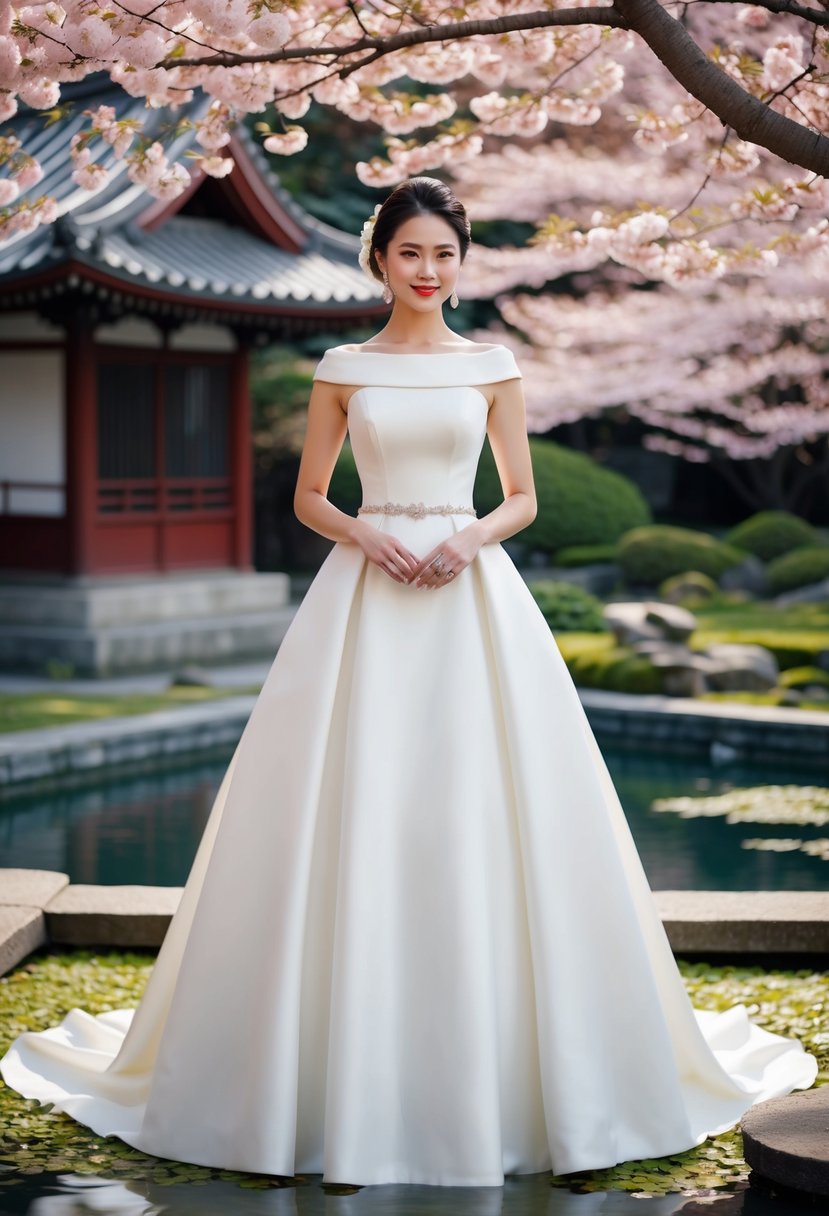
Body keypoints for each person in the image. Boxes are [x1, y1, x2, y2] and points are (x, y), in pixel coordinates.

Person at [0, 177, 817, 1189]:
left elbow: (518, 496)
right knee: (347, 802)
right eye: (410, 253)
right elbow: (306, 495)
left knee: (491, 803)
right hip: (365, 595)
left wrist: (466, 536)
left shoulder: (491, 364)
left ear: (461, 261)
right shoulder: (343, 366)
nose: (428, 271)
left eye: (444, 254)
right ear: (379, 258)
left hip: (474, 597)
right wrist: (370, 532)